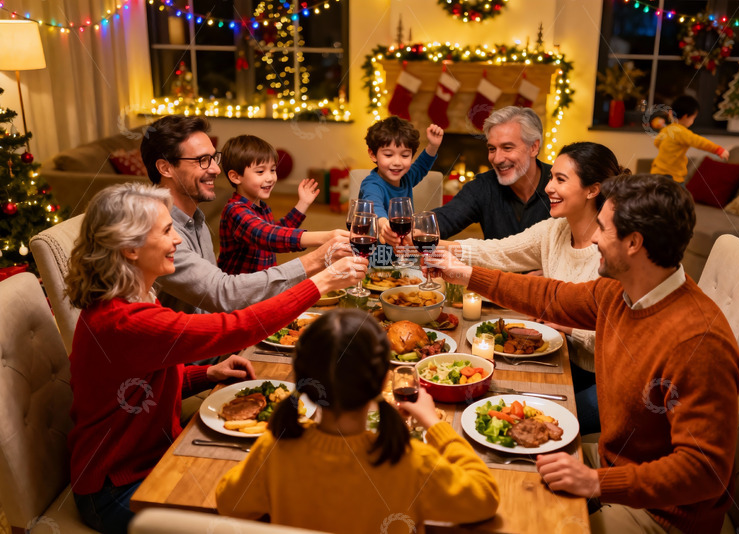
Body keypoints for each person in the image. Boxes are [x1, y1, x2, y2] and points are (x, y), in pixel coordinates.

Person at [427, 174, 739, 534]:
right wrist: (465, 274)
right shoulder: (620, 292)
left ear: (634, 243)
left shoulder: (697, 343)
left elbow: (705, 470)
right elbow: (551, 297)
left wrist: (595, 482)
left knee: (521, 522)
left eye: (603, 229)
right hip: (611, 467)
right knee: (488, 473)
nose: (592, 238)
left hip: (662, 514)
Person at [64, 183, 366, 534]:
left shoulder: (135, 296)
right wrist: (323, 280)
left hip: (157, 456)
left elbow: (139, 385)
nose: (178, 240)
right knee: (271, 514)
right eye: (166, 231)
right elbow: (237, 328)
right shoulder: (125, 321)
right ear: (131, 248)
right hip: (117, 490)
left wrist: (206, 374)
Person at [216, 308, 500, 533]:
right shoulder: (409, 459)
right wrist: (435, 425)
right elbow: (485, 497)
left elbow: (228, 504)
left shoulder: (274, 448)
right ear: (383, 381)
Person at [443, 142, 629, 434]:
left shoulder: (613, 250)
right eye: (551, 177)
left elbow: (620, 339)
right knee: (492, 394)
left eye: (560, 180)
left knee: (521, 421)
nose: (548, 188)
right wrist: (432, 245)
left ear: (592, 190)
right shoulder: (555, 230)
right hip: (563, 356)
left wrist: (565, 323)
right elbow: (497, 252)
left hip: (604, 380)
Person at [140, 115, 350, 315]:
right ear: (165, 168)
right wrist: (319, 253)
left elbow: (276, 230)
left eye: (214, 158)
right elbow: (222, 293)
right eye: (203, 160)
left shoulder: (197, 221)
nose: (215, 169)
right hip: (195, 348)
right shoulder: (159, 233)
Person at [217, 134, 348, 275]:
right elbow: (266, 235)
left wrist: (302, 204)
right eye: (260, 171)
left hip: (262, 285)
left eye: (272, 170)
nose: (270, 178)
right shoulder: (234, 211)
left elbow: (277, 230)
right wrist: (325, 237)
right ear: (235, 177)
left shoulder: (262, 207)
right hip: (240, 291)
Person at [432, 106, 552, 240]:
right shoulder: (483, 186)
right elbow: (444, 220)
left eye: (507, 148)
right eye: (492, 148)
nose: (497, 159)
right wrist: (410, 228)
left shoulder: (562, 184)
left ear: (533, 147)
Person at [358, 116, 443, 262]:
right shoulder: (372, 184)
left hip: (404, 256)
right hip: (376, 258)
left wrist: (433, 145)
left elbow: (422, 166)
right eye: (388, 155)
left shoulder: (406, 177)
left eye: (405, 155)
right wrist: (384, 225)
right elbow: (374, 206)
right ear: (373, 154)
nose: (397, 162)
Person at [651, 95, 730, 184]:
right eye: (693, 118)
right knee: (683, 196)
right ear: (685, 117)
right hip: (672, 176)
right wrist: (718, 150)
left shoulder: (667, 129)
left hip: (656, 172)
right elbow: (700, 142)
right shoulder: (682, 132)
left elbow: (657, 142)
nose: (692, 121)